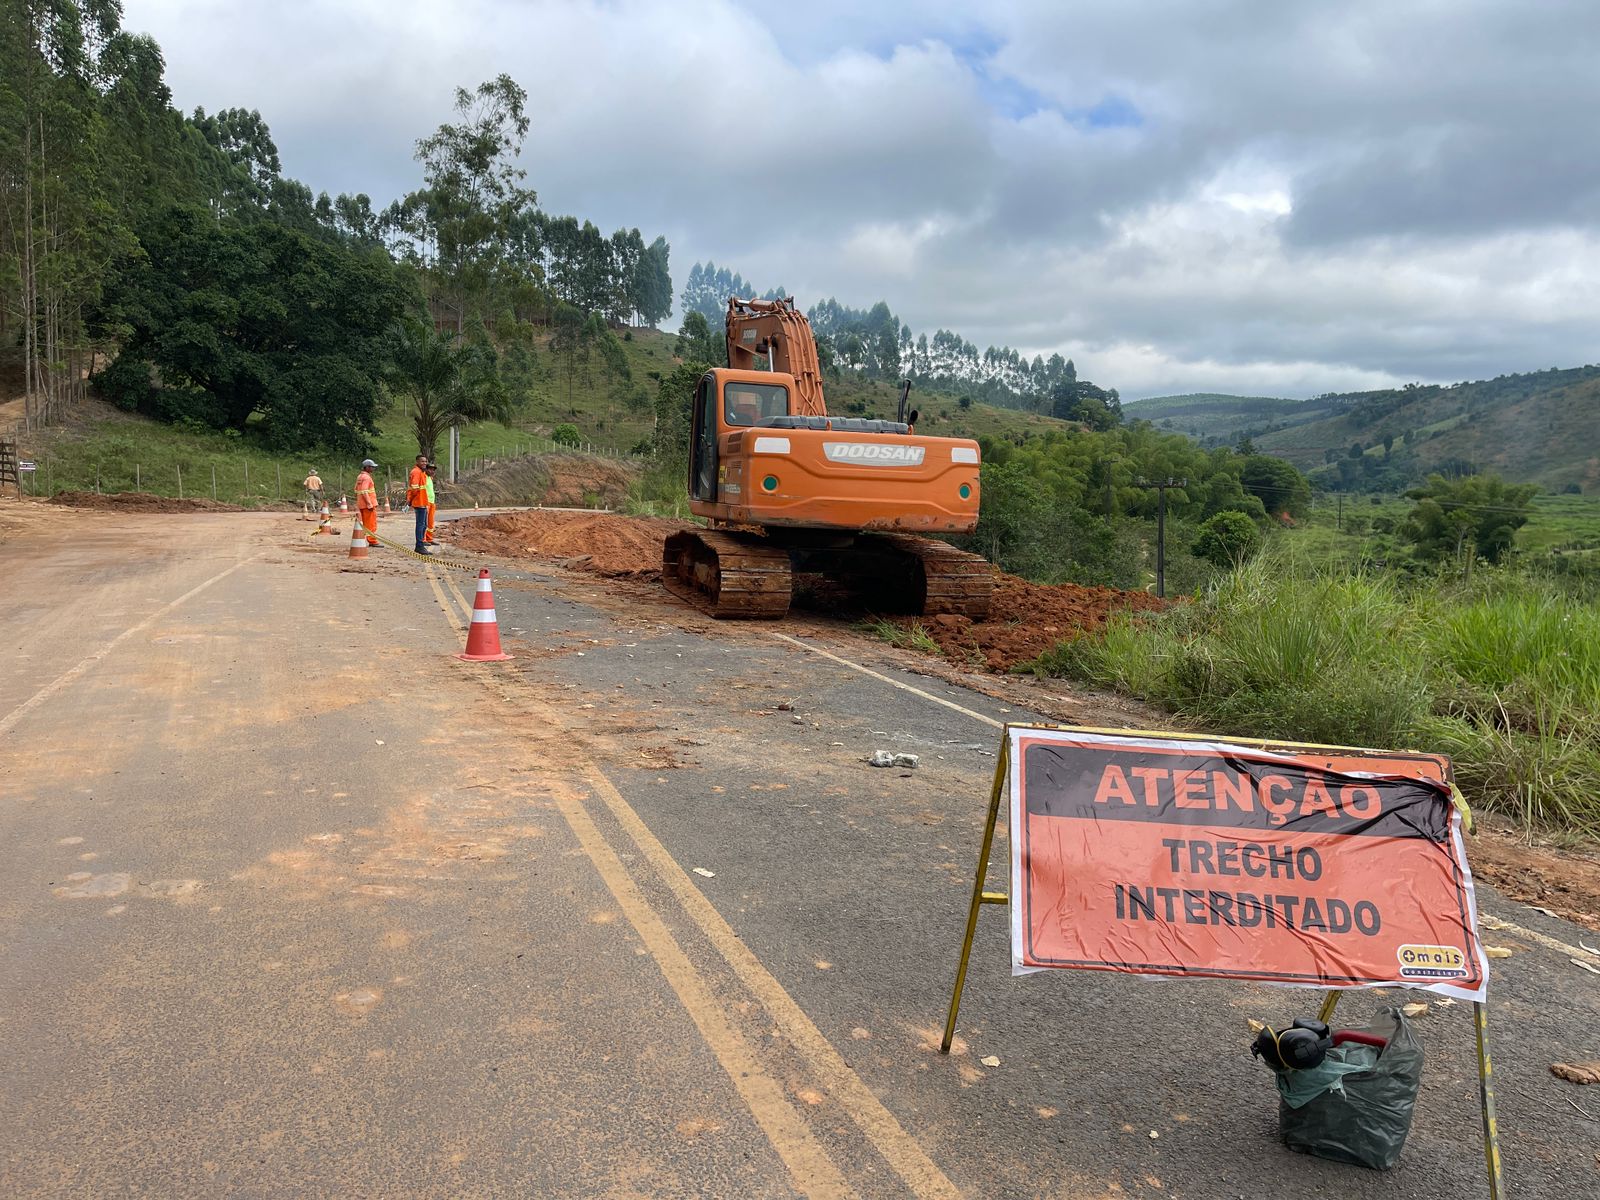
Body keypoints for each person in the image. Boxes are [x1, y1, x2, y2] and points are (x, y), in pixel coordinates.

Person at [407, 454, 431, 553]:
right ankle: (419, 546)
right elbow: (414, 488)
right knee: (421, 524)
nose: (424, 463)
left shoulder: (420, 472)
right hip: (419, 502)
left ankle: (420, 544)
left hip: (422, 501)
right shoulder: (416, 472)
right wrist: (410, 500)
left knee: (423, 524)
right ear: (417, 462)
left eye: (425, 461)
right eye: (422, 461)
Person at [354, 458, 380, 547]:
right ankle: (372, 540)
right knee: (371, 523)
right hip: (368, 505)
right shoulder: (367, 477)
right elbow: (364, 491)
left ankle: (369, 539)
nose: (373, 469)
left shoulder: (360, 476)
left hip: (361, 504)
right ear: (367, 467)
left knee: (366, 523)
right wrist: (369, 503)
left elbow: (356, 490)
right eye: (372, 467)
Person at [423, 460, 438, 546]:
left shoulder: (430, 478)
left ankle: (429, 538)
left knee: (430, 522)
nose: (432, 471)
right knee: (425, 522)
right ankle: (423, 539)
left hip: (432, 502)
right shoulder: (423, 477)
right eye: (430, 469)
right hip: (426, 502)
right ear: (426, 469)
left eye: (433, 470)